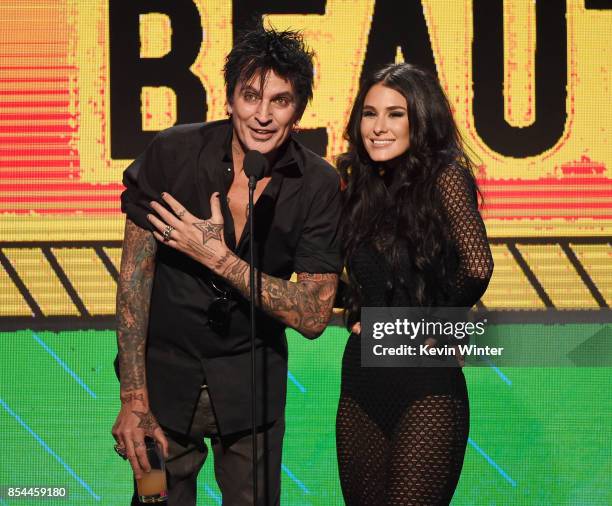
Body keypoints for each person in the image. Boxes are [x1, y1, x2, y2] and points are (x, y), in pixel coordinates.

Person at [111, 26, 341, 505]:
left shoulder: (317, 183)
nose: (262, 115)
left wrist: (218, 257)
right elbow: (134, 282)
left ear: (297, 110)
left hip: (250, 400)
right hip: (160, 397)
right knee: (153, 500)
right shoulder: (172, 154)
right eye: (251, 96)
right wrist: (133, 398)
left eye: (279, 101)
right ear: (230, 98)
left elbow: (315, 314)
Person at [335, 63, 494, 505]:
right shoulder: (356, 189)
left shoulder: (444, 176)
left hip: (425, 385)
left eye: (395, 114)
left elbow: (477, 266)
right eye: (369, 114)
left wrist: (431, 322)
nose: (379, 127)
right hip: (361, 380)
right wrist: (354, 309)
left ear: (420, 120)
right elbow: (338, 276)